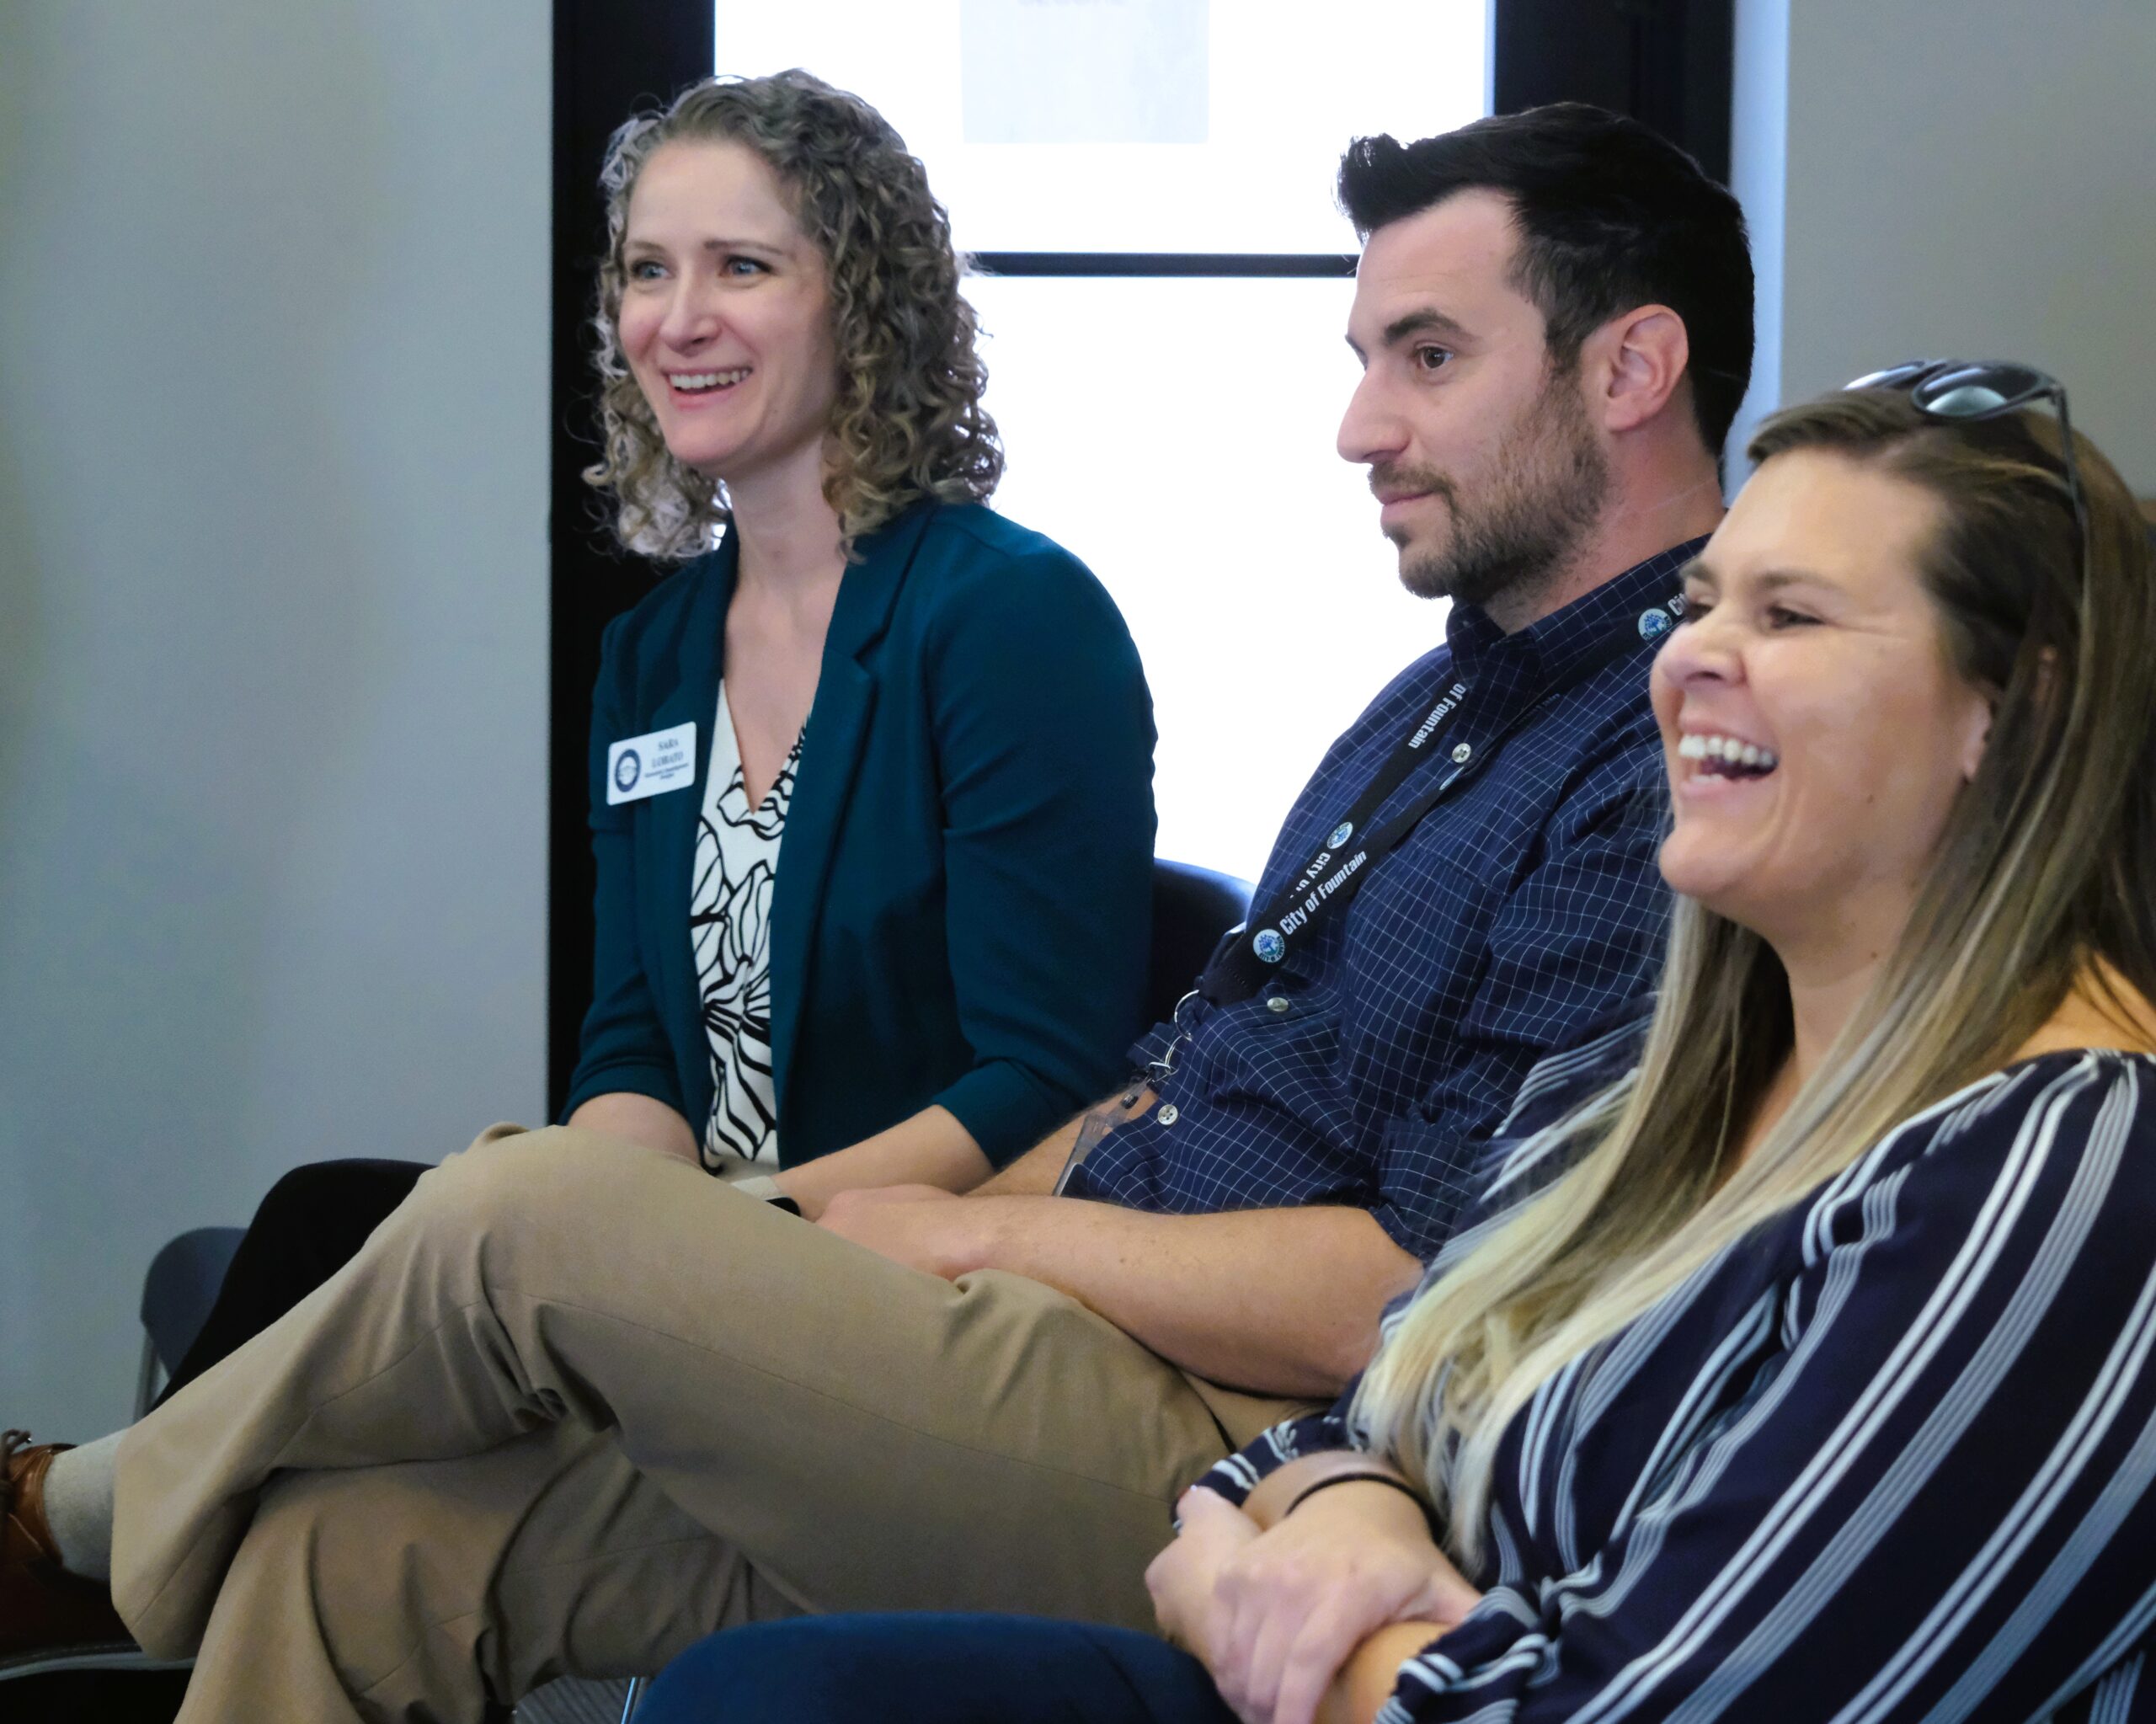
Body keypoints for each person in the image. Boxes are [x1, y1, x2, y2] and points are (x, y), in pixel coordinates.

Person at [0, 101, 1752, 1719]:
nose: (1356, 425)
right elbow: (1151, 1092)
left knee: (522, 1211)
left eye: (1424, 357)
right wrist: (870, 1244)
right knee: (356, 1545)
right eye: (647, 270)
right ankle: (128, 1523)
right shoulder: (1436, 706)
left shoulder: (1670, 759)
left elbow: (1422, 1292)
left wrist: (951, 1236)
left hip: (1257, 1459)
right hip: (1051, 1341)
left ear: (1630, 369)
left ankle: (71, 1518)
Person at [632, 369, 2156, 1724]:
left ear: (2013, 706)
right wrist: (1347, 1505)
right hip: (1338, 1637)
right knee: (755, 1691)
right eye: (1702, 605)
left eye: (1792, 616)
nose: (1692, 659)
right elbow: (1324, 1431)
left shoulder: (2067, 1169)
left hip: (1350, 1678)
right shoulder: (1647, 1087)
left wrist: (1269, 1611)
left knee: (549, 1237)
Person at [3, 62, 1154, 1656]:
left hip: (904, 1290)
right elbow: (632, 1041)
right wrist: (627, 1226)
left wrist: (719, 1238)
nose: (679, 318)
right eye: (646, 269)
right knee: (334, 1226)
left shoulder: (1009, 616)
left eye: (741, 266)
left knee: (454, 1232)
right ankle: (131, 1567)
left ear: (862, 301)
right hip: (687, 1252)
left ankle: (75, 1522)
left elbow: (1043, 1073)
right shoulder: (656, 654)